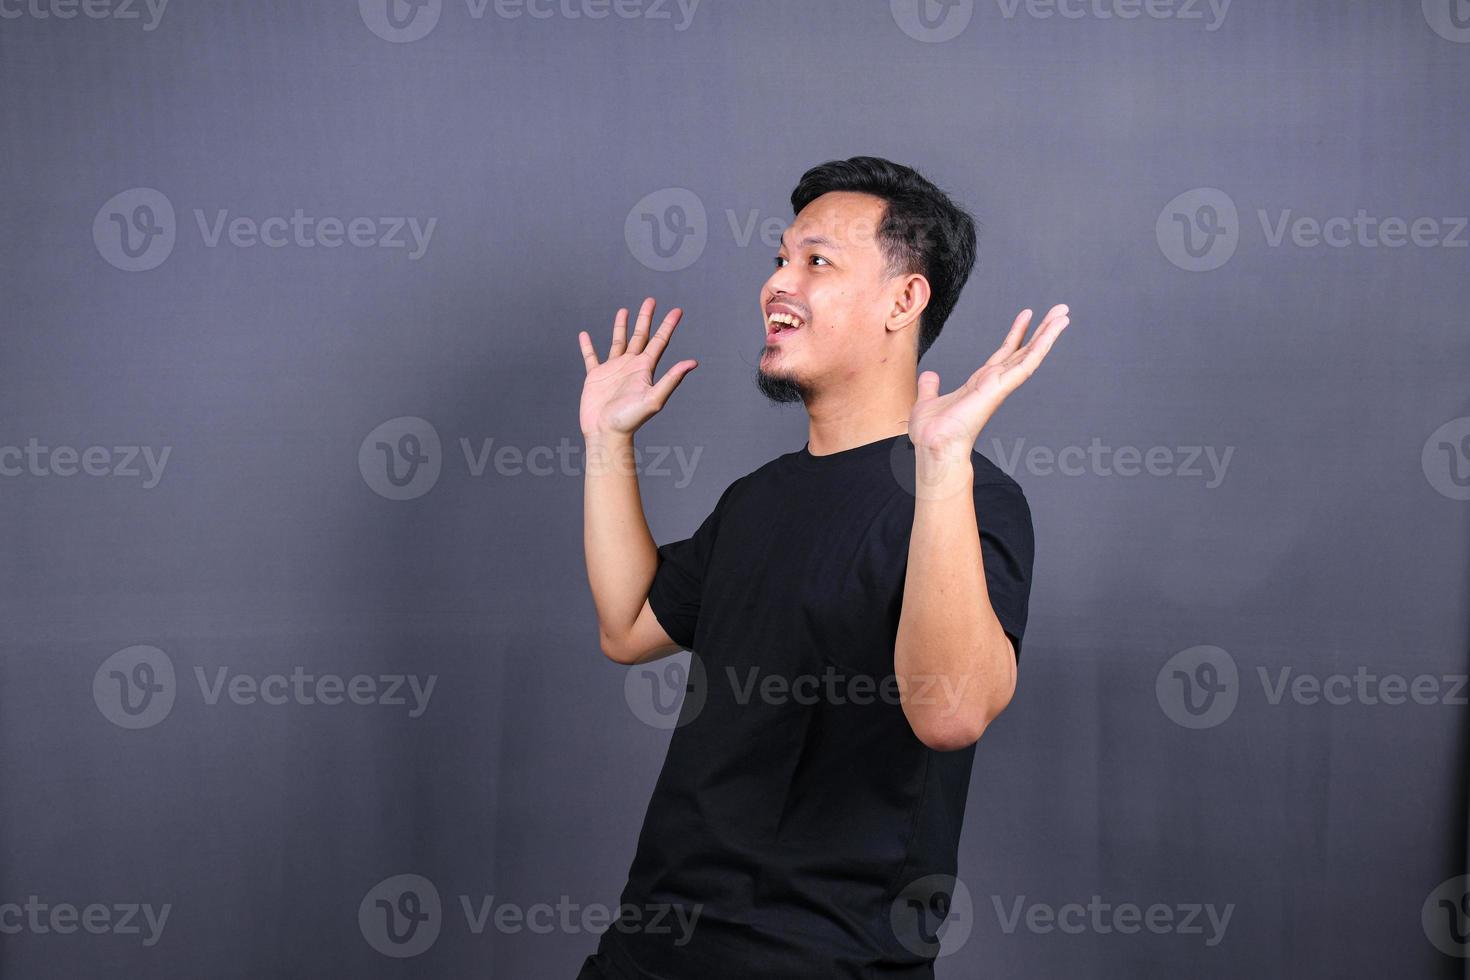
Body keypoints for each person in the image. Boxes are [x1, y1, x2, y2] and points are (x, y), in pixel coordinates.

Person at [575, 156, 1070, 978]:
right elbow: (627, 626)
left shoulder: (970, 501)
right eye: (778, 259)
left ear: (904, 300)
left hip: (820, 962)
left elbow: (950, 715)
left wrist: (942, 461)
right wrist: (606, 441)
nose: (778, 284)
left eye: (816, 261)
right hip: (647, 951)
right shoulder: (756, 500)